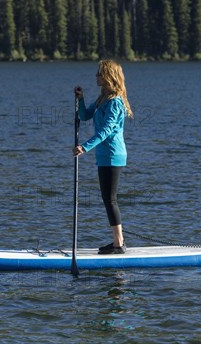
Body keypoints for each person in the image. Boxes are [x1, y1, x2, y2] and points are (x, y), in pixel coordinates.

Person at [72, 60, 133, 255]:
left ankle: (119, 244)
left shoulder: (115, 102)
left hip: (113, 154)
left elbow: (107, 130)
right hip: (104, 155)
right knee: (107, 199)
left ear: (109, 76)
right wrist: (80, 99)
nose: (96, 76)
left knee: (110, 199)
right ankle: (117, 242)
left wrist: (85, 147)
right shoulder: (102, 99)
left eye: (99, 73)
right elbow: (84, 115)